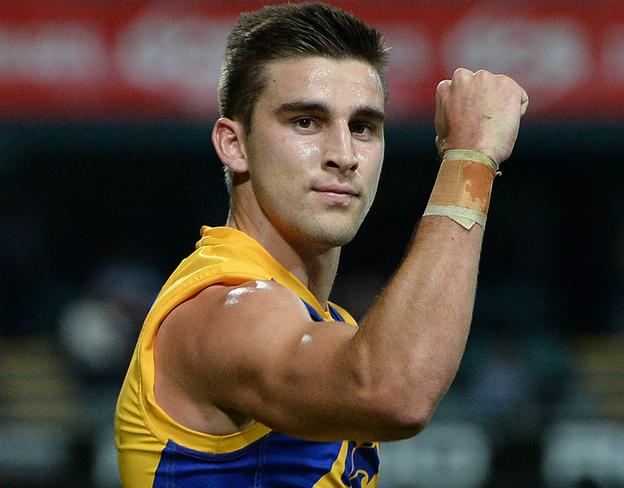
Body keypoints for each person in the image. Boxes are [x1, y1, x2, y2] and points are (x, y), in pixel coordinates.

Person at [114, 2, 528, 487]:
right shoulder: (222, 307)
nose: (344, 155)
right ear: (234, 144)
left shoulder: (330, 325)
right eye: (306, 121)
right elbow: (392, 392)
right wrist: (470, 156)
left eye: (363, 127)